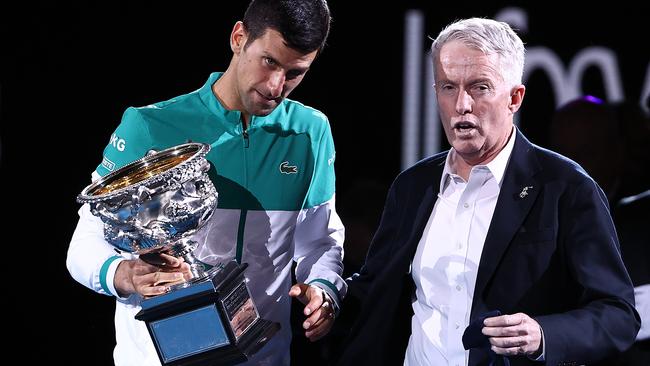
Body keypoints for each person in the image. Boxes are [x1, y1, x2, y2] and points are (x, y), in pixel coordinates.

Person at [334, 18, 640, 366]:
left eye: (479, 87)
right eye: (448, 87)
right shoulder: (412, 186)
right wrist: (325, 296)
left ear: (515, 97)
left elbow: (618, 315)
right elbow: (375, 289)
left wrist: (542, 335)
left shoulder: (566, 188)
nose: (461, 104)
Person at [66, 1, 345, 365]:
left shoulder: (311, 133)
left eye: (295, 72)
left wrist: (325, 290)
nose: (277, 86)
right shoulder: (149, 126)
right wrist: (123, 274)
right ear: (238, 37)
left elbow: (320, 241)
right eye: (269, 62)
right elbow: (83, 245)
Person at [549, 96, 650, 366]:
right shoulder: (539, 225)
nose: (575, 166)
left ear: (616, 151)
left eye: (587, 151)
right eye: (563, 153)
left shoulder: (638, 220)